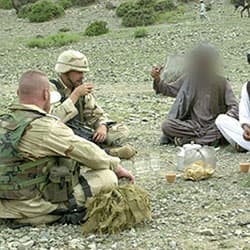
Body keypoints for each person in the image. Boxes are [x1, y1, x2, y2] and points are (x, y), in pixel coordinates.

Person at [0, 70, 134, 226]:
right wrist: (116, 166)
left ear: (18, 93)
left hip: (3, 205)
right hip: (31, 206)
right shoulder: (45, 126)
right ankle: (48, 215)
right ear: (46, 95)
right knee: (107, 177)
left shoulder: (4, 121)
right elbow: (91, 155)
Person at [50, 50, 136, 159]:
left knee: (121, 130)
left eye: (83, 72)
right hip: (61, 134)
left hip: (81, 131)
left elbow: (96, 114)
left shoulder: (80, 88)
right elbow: (53, 119)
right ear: (65, 71)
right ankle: (106, 153)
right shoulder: (51, 89)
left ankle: (95, 148)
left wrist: (102, 126)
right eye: (78, 72)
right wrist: (75, 95)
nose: (82, 76)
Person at [151, 44, 238, 146]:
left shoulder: (221, 82)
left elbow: (234, 107)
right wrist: (157, 78)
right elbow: (168, 90)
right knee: (167, 125)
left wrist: (224, 119)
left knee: (223, 128)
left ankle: (191, 141)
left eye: (205, 62)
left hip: (213, 125)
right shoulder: (189, 79)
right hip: (192, 126)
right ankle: (205, 139)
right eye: (199, 62)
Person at [216, 52, 250, 152]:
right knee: (221, 120)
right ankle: (243, 144)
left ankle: (242, 145)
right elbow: (244, 112)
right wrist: (246, 127)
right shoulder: (247, 87)